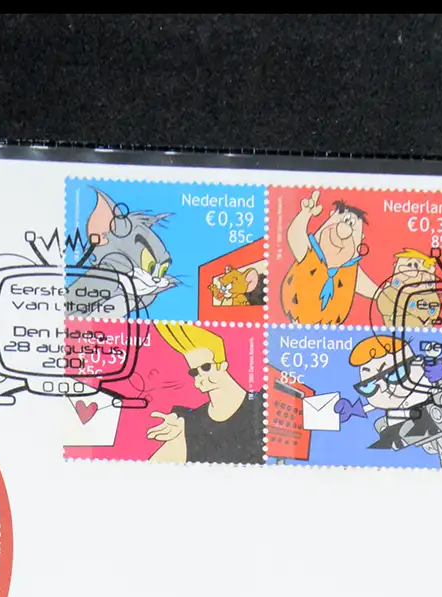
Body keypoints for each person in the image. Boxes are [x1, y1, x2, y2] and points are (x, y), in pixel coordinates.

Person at [146, 324, 264, 463]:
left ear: (223, 365)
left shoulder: (261, 405)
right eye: (194, 372)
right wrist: (176, 439)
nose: (200, 376)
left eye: (206, 367)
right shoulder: (190, 422)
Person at [280, 192, 380, 324]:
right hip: (295, 317)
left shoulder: (351, 271)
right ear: (331, 217)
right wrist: (305, 214)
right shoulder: (310, 252)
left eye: (352, 226)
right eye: (343, 220)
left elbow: (367, 287)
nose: (344, 231)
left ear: (361, 238)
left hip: (329, 325)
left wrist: (384, 294)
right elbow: (295, 235)